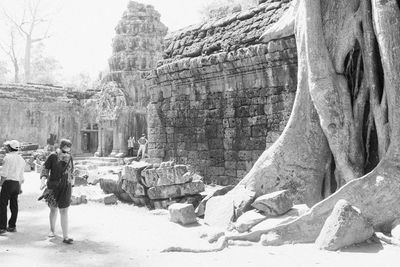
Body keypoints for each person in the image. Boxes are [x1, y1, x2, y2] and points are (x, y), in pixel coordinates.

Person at [40, 139, 74, 244]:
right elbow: (45, 168)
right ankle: (52, 230)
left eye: (68, 148)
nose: (67, 151)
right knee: (53, 209)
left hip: (66, 187)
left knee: (64, 211)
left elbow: (71, 172)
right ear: (61, 146)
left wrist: (72, 184)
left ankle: (65, 236)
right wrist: (42, 181)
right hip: (54, 186)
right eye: (65, 148)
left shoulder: (70, 157)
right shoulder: (53, 156)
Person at [0, 140, 26, 234]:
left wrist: (0, 184)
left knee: (2, 205)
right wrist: (20, 187)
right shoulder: (21, 159)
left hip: (8, 183)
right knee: (14, 205)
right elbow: (21, 177)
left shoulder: (7, 158)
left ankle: (2, 227)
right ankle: (12, 226)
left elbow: (4, 174)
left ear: (10, 148)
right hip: (16, 184)